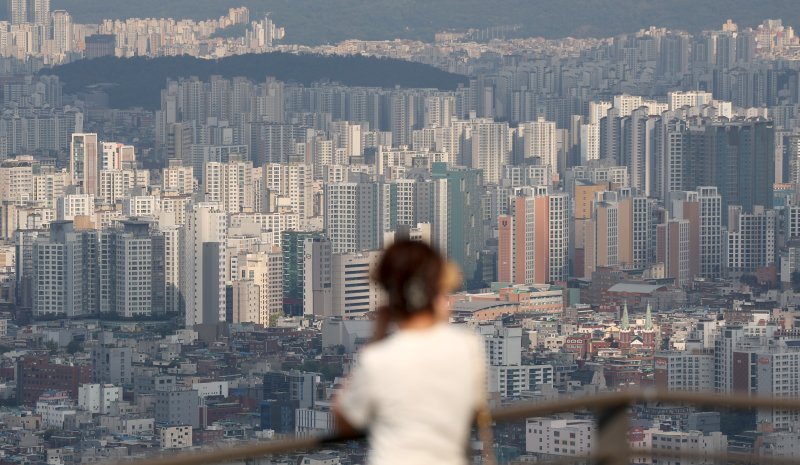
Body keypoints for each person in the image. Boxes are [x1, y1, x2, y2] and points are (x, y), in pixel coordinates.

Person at [333, 240, 487, 465]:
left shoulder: (378, 360)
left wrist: (377, 336)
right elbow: (474, 405)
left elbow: (345, 419)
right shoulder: (468, 347)